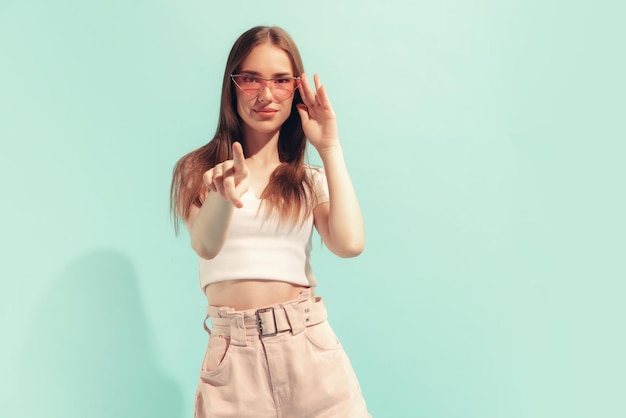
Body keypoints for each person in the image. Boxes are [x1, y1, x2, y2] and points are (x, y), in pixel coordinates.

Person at [170, 26, 371, 418]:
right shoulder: (198, 171)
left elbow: (349, 244)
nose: (266, 95)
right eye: (251, 79)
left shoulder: (308, 181)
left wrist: (329, 146)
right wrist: (224, 198)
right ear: (232, 85)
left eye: (281, 81)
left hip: (308, 349)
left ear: (296, 88)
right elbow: (206, 244)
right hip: (233, 362)